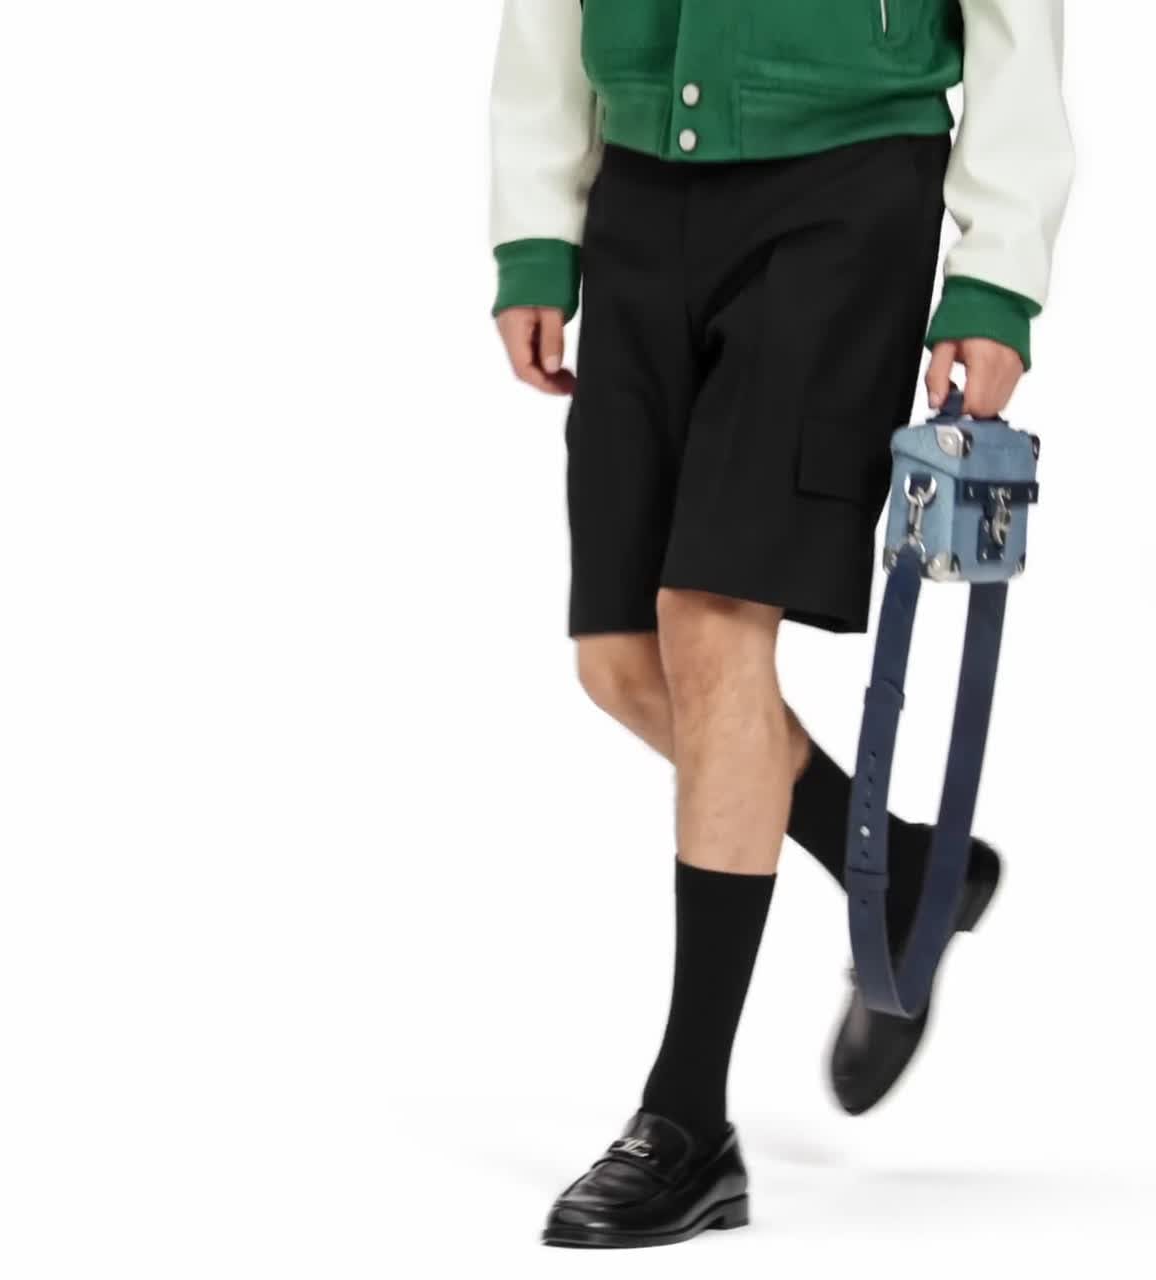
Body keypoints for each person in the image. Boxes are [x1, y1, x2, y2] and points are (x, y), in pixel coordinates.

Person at [488, 0, 1073, 1250]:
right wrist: (537, 226)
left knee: (708, 624)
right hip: (640, 187)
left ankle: (685, 1117)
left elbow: (1017, 20)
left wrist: (995, 270)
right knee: (619, 660)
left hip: (841, 185)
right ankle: (900, 870)